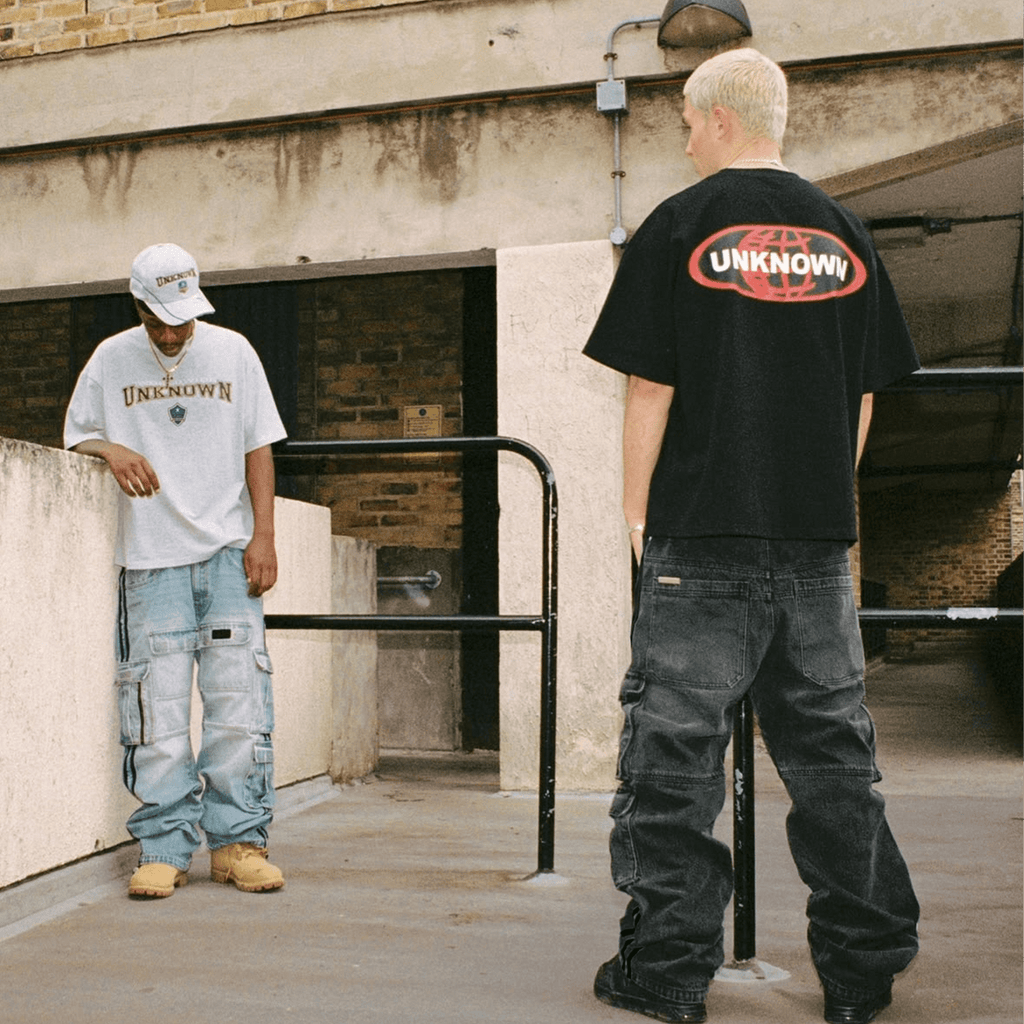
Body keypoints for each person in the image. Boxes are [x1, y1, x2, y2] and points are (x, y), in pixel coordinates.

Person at [583, 49, 920, 1024]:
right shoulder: (845, 232)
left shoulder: (679, 224)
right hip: (816, 546)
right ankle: (858, 975)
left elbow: (650, 386)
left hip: (702, 539)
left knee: (671, 764)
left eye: (686, 119)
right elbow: (860, 395)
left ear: (721, 119)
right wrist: (822, 500)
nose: (682, 136)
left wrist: (638, 520)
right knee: (833, 765)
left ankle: (669, 971)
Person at [64, 243, 288, 899]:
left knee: (239, 706)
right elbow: (77, 432)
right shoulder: (111, 358)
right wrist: (113, 448)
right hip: (150, 558)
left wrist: (264, 537)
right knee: (154, 711)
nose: (169, 333)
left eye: (181, 320)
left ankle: (239, 844)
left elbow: (259, 448)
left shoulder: (234, 352)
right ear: (136, 305)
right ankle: (162, 846)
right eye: (157, 320)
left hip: (227, 553)